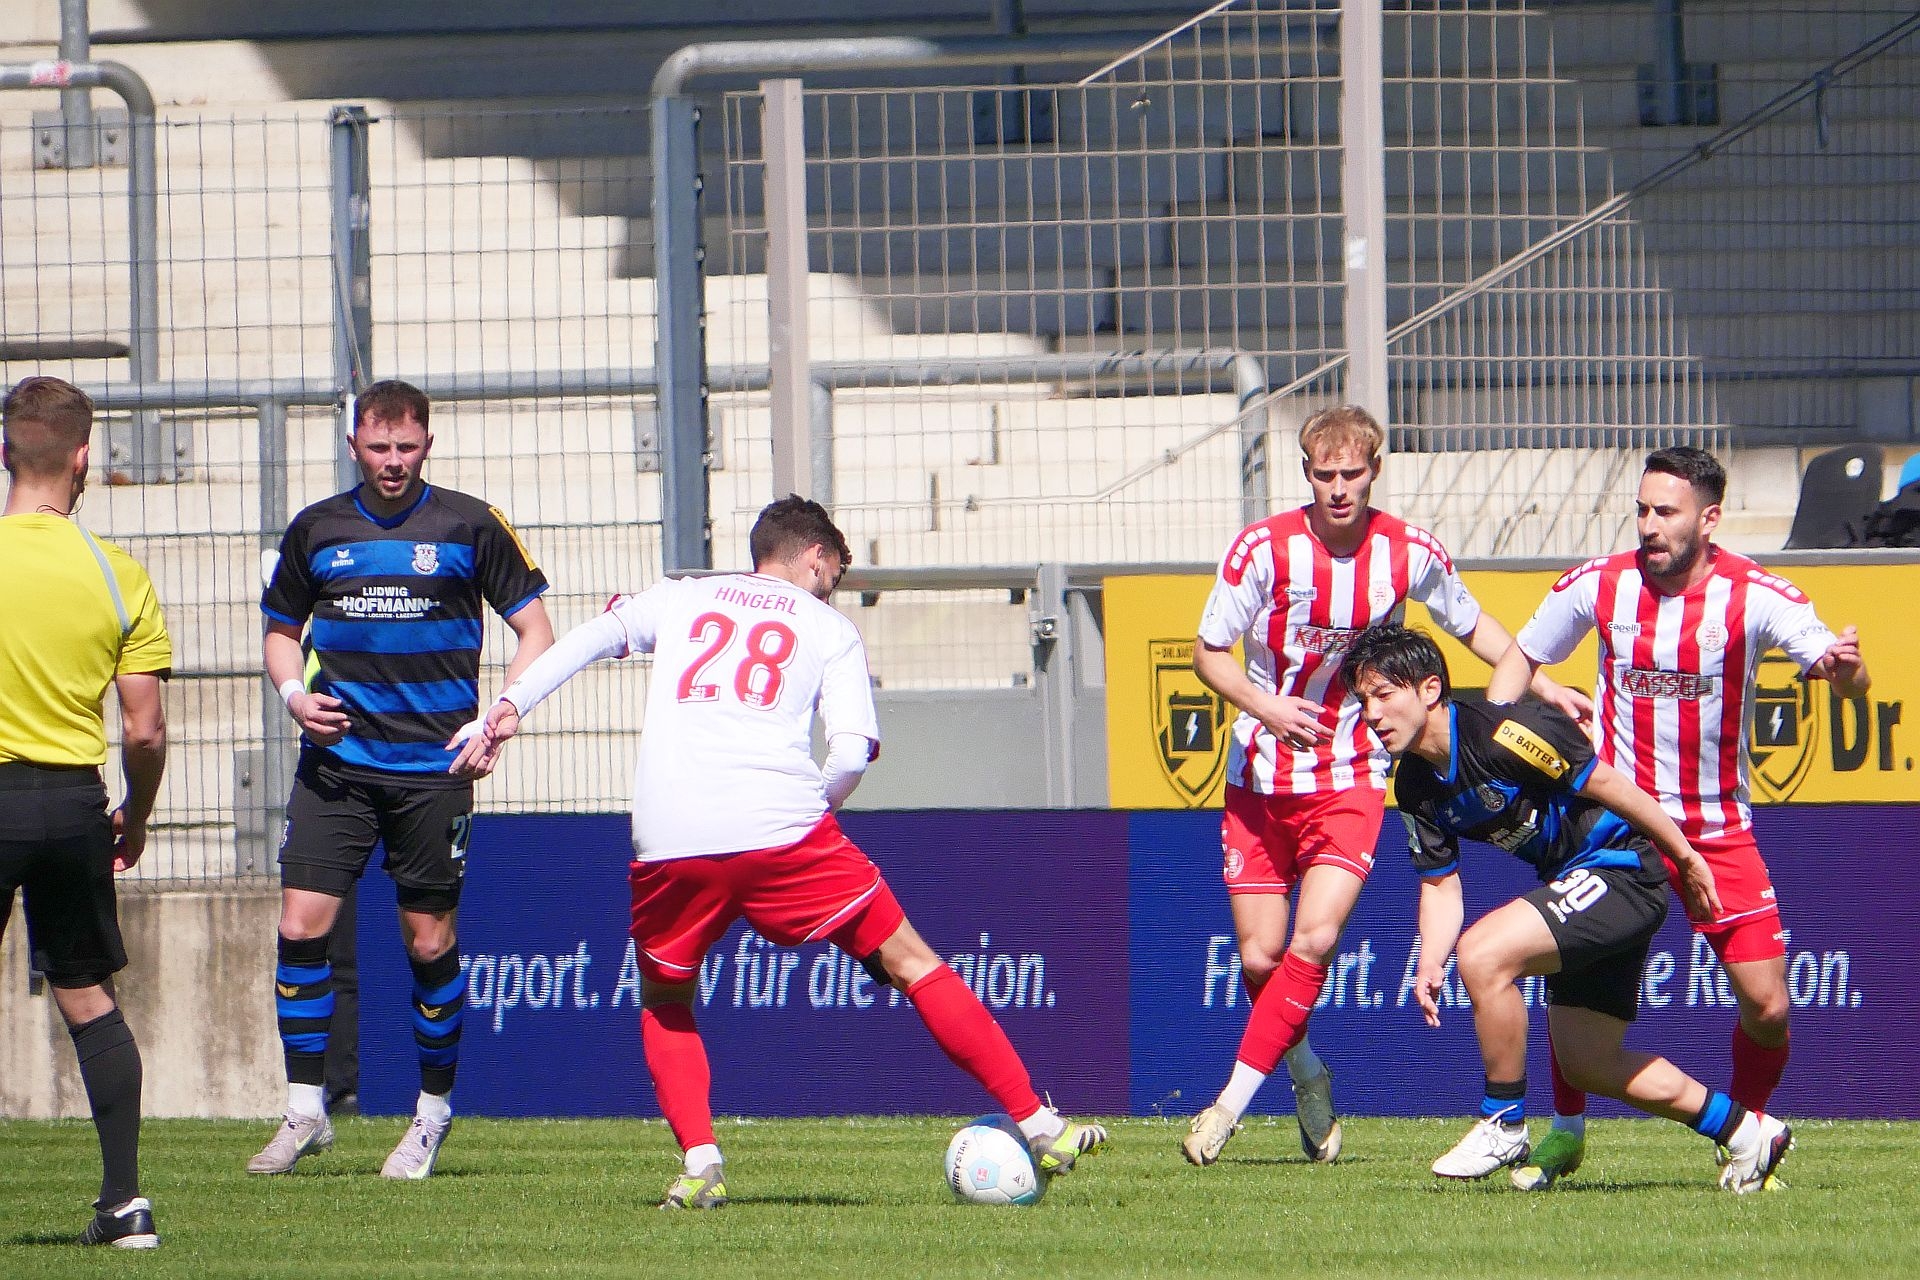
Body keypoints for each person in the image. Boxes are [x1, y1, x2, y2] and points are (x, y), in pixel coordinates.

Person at [452, 495, 1108, 1208]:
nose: (831, 590)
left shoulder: (681, 596)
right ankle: (1042, 1127)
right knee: (914, 964)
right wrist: (809, 812)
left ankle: (700, 1163)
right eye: (834, 576)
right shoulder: (828, 627)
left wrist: (508, 707)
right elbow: (850, 752)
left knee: (666, 999)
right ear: (816, 558)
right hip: (783, 829)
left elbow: (587, 638)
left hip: (670, 833)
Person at [1180, 405, 1587, 1167]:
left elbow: (1474, 626)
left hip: (1351, 774)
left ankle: (1227, 1107)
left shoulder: (1408, 551)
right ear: (1306, 475)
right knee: (1261, 960)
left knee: (1316, 938)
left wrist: (1545, 683)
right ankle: (1307, 1071)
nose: (1339, 489)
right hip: (1260, 776)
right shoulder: (1262, 550)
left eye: (1352, 474)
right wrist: (1266, 706)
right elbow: (1208, 653)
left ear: (1374, 471)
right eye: (1324, 475)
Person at [1487, 445, 1869, 1189]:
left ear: (1710, 518)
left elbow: (1837, 670)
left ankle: (1746, 1138)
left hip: (1716, 829)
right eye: (1642, 510)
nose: (1649, 526)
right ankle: (1566, 1131)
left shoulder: (1754, 594)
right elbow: (1521, 654)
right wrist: (1498, 733)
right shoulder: (1600, 584)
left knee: (1768, 1007)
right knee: (1572, 978)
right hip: (1616, 828)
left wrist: (1846, 673)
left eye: (1666, 512)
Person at [1346, 625, 1792, 1194]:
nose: (1371, 714)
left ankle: (1503, 1121)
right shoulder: (1413, 785)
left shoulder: (1504, 733)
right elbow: (1439, 885)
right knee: (1587, 1063)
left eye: (1383, 695)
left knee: (1483, 954)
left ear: (1429, 689)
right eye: (1363, 700)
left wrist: (1684, 857)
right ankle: (1748, 1133)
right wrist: (1430, 959)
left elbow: (1611, 785)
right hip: (1579, 884)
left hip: (1622, 871)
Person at [247, 380, 555, 1179]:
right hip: (337, 769)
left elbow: (536, 630)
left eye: (406, 447)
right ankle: (305, 1110)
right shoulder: (317, 529)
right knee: (301, 925)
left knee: (429, 941)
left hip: (433, 772)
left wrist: (501, 715)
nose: (392, 461)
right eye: (379, 447)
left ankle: (431, 1116)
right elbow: (280, 632)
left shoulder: (469, 525)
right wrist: (295, 697)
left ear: (428, 445)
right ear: (354, 444)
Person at [0, 376, 170, 1246]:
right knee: (88, 996)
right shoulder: (117, 574)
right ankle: (124, 1204)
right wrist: (134, 817)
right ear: (83, 458)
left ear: (4, 453)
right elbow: (143, 729)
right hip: (73, 803)